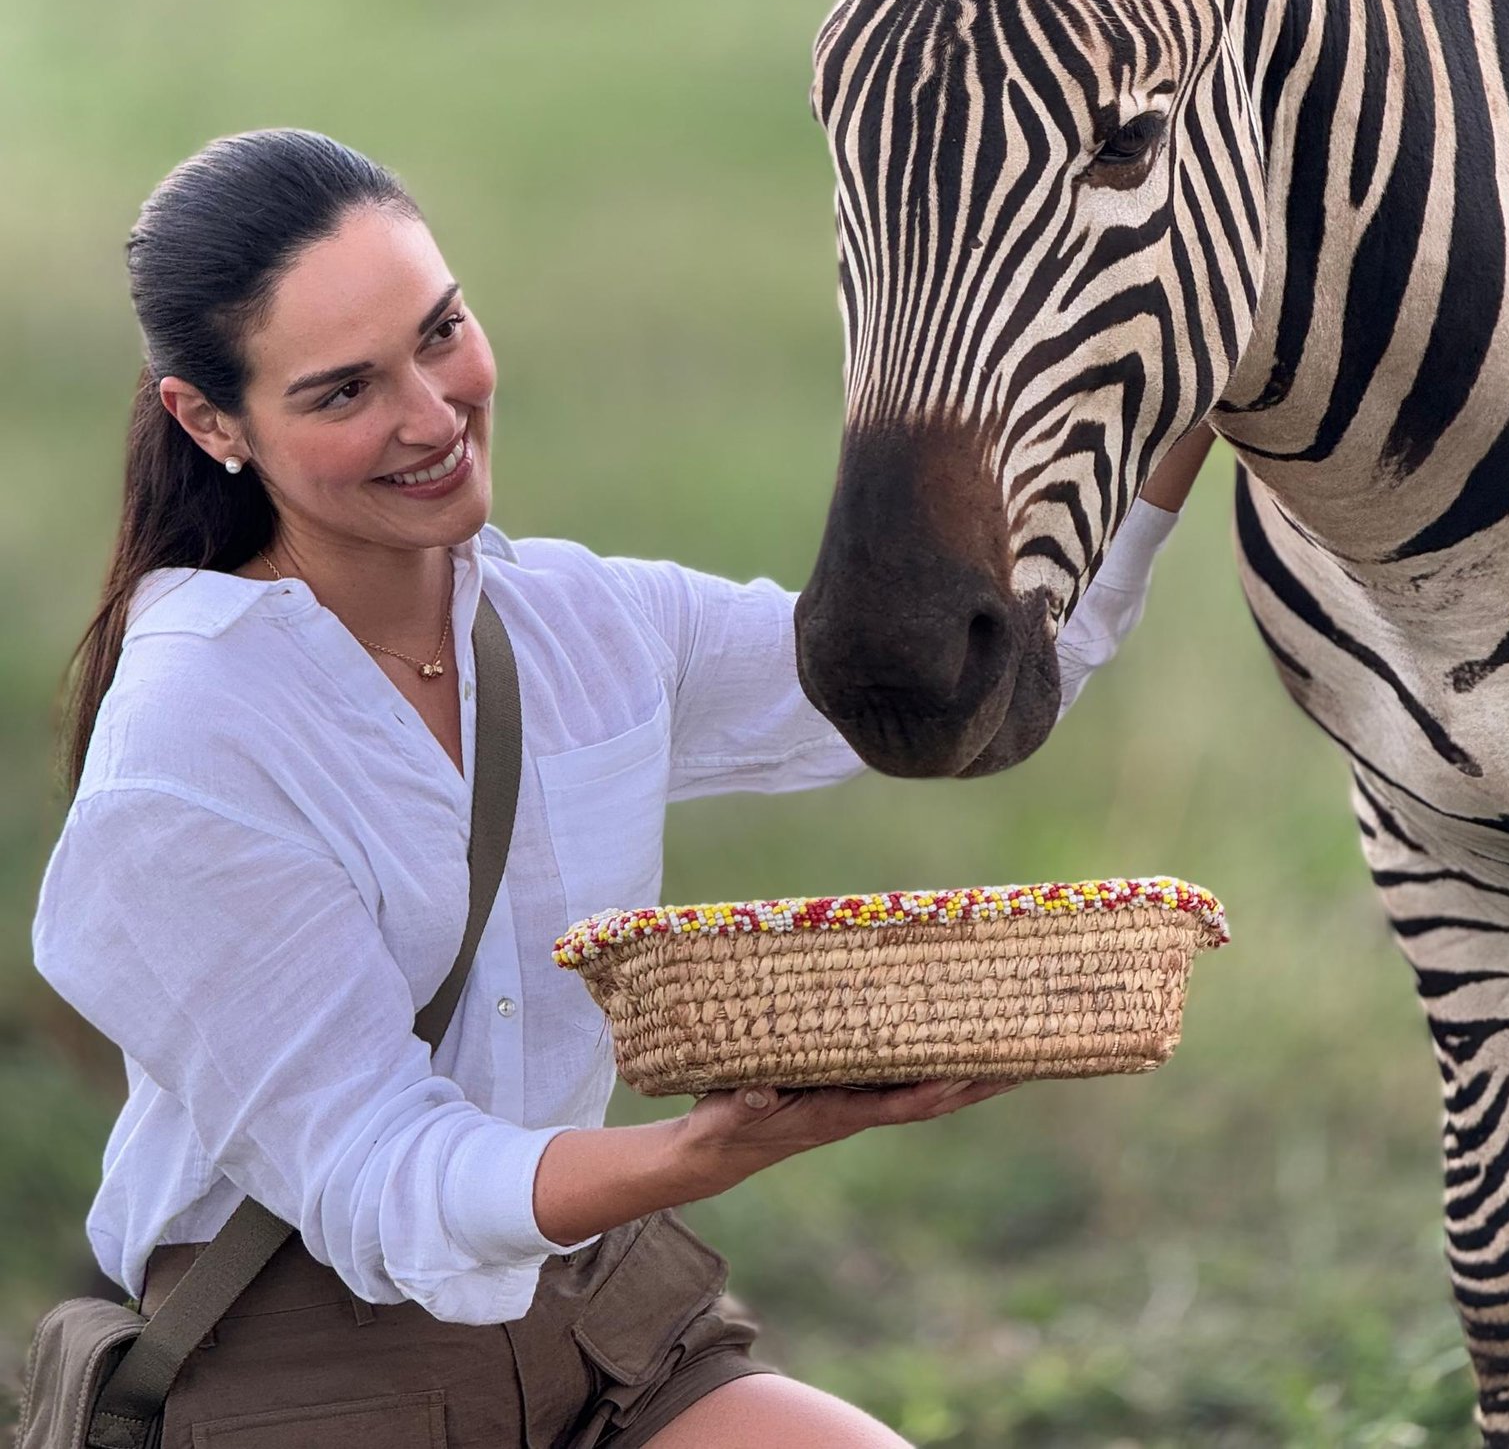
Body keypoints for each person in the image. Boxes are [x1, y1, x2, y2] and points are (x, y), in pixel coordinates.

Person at [33, 129, 1213, 1449]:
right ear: (209, 419)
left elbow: (959, 677)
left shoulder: (580, 623)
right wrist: (702, 1155)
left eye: (441, 332)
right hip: (308, 1371)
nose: (432, 414)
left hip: (593, 1311)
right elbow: (381, 1173)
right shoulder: (189, 740)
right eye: (346, 389)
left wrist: (1191, 400)